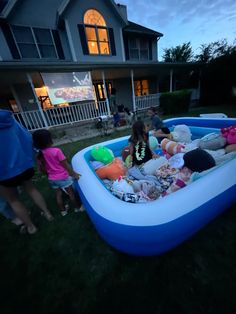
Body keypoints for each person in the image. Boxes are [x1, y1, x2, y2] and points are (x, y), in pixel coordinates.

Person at [0, 109, 53, 235]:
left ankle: (31, 227)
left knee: (13, 200)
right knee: (31, 189)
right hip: (23, 164)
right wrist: (31, 156)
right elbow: (26, 138)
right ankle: (47, 213)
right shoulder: (8, 119)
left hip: (3, 171)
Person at [32, 129, 83, 216]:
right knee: (71, 194)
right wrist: (74, 174)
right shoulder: (56, 151)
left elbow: (42, 169)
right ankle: (77, 208)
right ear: (49, 140)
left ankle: (63, 211)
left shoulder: (39, 155)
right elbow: (66, 165)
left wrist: (49, 174)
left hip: (52, 179)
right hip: (63, 177)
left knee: (58, 194)